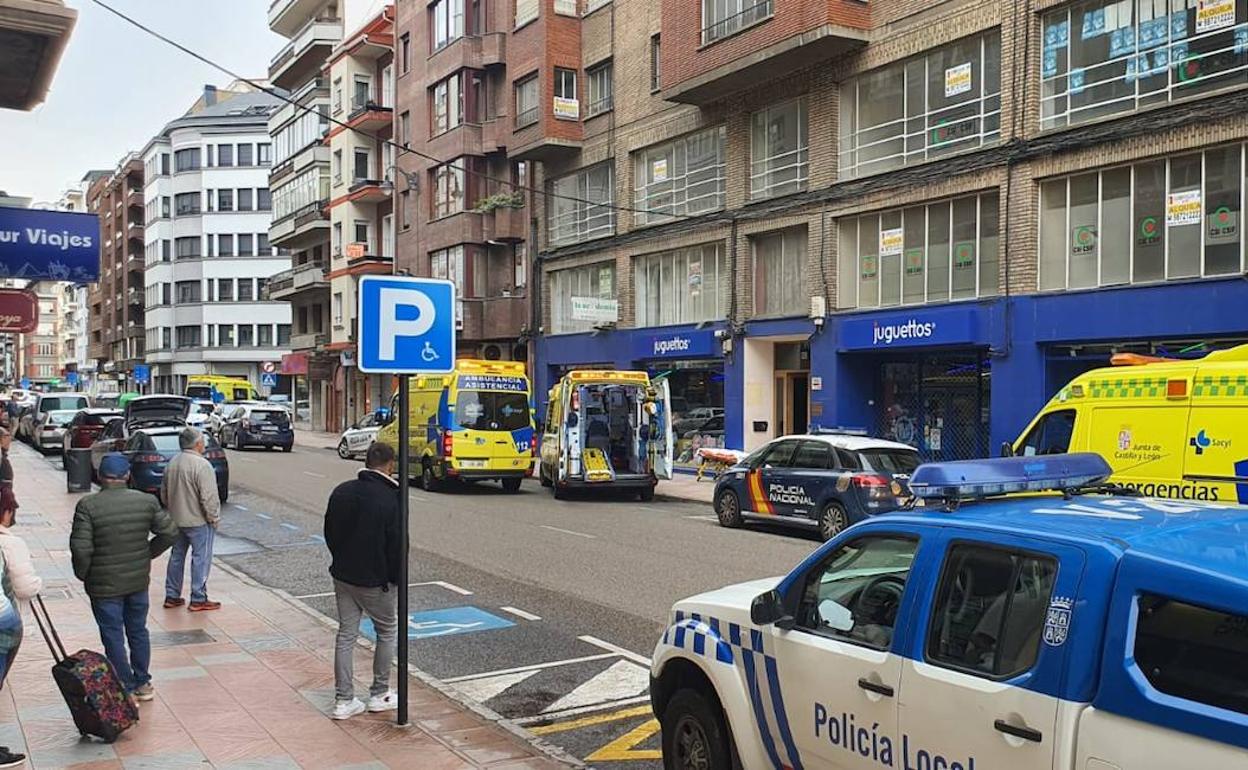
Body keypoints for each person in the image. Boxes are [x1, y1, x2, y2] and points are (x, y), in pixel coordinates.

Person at [69, 453, 177, 701]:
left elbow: (81, 548)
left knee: (112, 634)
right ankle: (142, 682)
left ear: (100, 476)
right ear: (127, 475)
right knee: (138, 630)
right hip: (137, 581)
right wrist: (147, 554)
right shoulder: (146, 501)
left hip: (104, 585)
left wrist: (84, 574)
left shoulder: (88, 505)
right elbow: (170, 532)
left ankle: (125, 687)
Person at [323, 441, 401, 720]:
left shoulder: (342, 491)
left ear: (367, 462)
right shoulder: (391, 498)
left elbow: (330, 532)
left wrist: (341, 560)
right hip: (375, 581)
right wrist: (394, 579)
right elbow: (396, 546)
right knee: (388, 631)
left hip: (343, 575)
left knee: (346, 634)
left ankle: (343, 701)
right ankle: (379, 694)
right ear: (390, 465)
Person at [161, 427, 222, 611]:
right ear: (197, 444)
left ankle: (172, 595)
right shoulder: (202, 465)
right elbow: (209, 497)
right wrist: (214, 518)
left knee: (176, 557)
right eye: (202, 440)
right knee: (201, 558)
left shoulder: (172, 462)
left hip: (176, 519)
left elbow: (164, 494)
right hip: (198, 521)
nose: (203, 444)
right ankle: (198, 597)